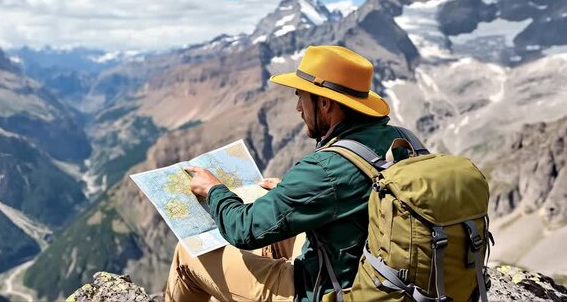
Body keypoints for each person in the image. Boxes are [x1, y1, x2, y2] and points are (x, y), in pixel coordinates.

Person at [165, 45, 405, 301]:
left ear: (324, 103)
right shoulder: (401, 140)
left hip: (332, 292)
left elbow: (243, 230)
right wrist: (291, 193)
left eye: (301, 96)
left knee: (187, 254)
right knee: (272, 240)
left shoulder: (325, 169)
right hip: (384, 278)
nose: (298, 108)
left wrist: (214, 190)